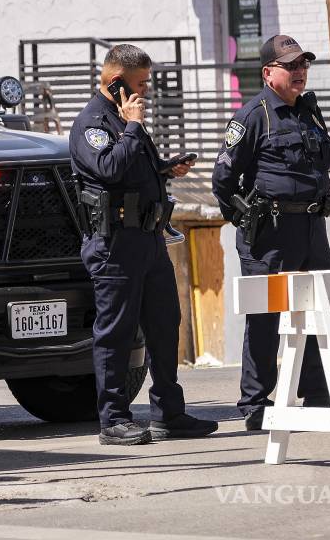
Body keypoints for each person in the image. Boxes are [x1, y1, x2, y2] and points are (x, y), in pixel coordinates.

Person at [70, 44, 219, 446]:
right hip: (115, 244)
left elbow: (134, 170)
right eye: (140, 84)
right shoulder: (92, 124)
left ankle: (169, 413)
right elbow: (109, 168)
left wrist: (166, 168)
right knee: (116, 333)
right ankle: (114, 420)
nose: (146, 92)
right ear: (117, 82)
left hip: (149, 239)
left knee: (165, 325)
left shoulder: (124, 120)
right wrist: (133, 126)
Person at [211, 34, 330, 432]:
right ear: (268, 73)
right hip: (270, 234)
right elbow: (223, 178)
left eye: (303, 64)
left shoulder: (308, 111)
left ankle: (316, 394)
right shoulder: (253, 116)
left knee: (317, 310)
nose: (299, 71)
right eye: (290, 65)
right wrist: (245, 218)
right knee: (264, 317)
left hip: (311, 228)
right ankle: (256, 403)